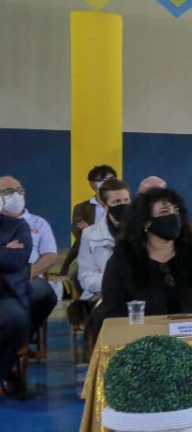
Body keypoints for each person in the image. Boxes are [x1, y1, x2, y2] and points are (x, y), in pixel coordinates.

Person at [99, 187, 192, 319]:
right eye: (164, 211)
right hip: (143, 336)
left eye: (176, 211)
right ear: (146, 222)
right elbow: (114, 309)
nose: (173, 216)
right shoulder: (123, 259)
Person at [0, 176, 58, 337]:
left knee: (45, 292)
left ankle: (21, 336)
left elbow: (50, 256)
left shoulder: (39, 223)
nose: (16, 195)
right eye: (9, 191)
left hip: (29, 278)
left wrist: (26, 275)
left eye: (19, 190)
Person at [76, 178, 131, 304]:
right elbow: (86, 277)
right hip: (104, 295)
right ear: (105, 206)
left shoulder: (144, 231)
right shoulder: (90, 235)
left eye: (126, 200)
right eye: (117, 201)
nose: (123, 205)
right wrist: (117, 280)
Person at [60, 164, 117, 275]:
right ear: (92, 184)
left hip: (114, 252)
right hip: (88, 253)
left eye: (112, 179)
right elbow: (80, 234)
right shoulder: (81, 208)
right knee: (76, 273)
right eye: (103, 180)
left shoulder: (122, 204)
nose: (109, 183)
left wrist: (91, 228)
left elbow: (121, 232)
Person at [0, 211, 32, 399]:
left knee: (17, 319)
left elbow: (16, 259)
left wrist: (6, 252)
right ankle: (6, 373)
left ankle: (3, 371)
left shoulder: (17, 226)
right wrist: (3, 248)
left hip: (4, 295)